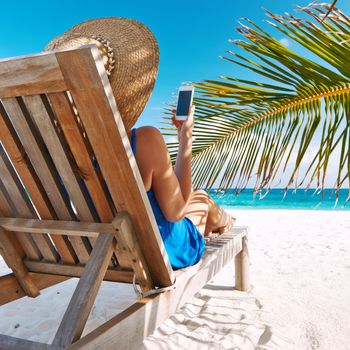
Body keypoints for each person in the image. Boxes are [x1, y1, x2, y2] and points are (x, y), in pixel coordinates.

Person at [46, 17, 235, 269]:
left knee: (201, 201)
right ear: (115, 89)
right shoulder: (144, 140)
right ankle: (225, 221)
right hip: (158, 252)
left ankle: (219, 219)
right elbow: (175, 212)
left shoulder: (50, 150)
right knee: (201, 200)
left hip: (100, 253)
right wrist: (185, 138)